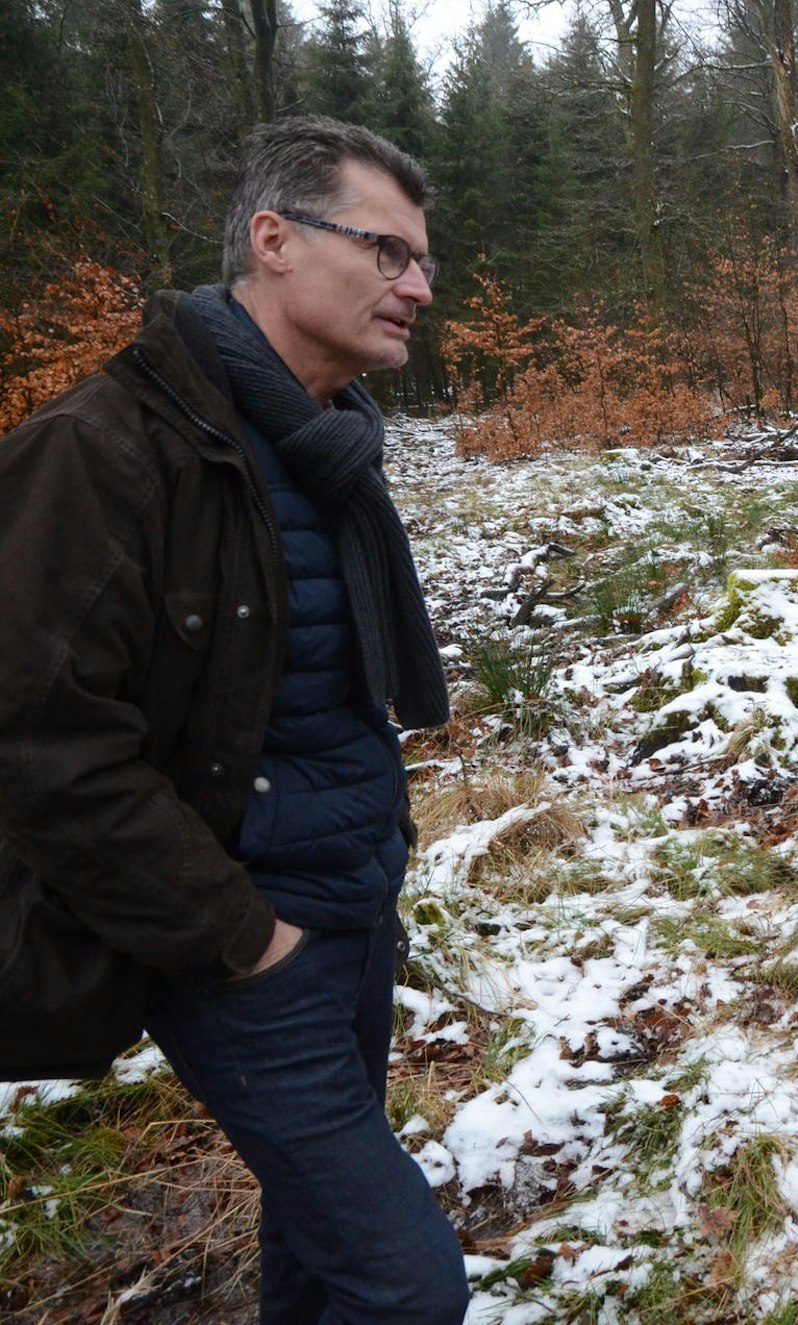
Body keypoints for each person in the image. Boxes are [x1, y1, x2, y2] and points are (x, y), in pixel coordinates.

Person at [0, 117, 468, 1323]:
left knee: (319, 1249)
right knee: (404, 1281)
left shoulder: (324, 446)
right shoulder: (104, 450)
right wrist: (241, 933)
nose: (417, 285)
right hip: (240, 945)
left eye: (421, 260)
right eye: (387, 250)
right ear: (273, 239)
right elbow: (36, 744)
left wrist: (370, 870)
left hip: (353, 904)